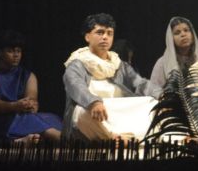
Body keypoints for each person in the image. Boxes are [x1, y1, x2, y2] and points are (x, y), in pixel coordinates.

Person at [63, 13, 163, 142]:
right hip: (95, 110)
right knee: (81, 112)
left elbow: (140, 84)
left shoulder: (118, 63)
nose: (105, 37)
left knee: (153, 103)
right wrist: (93, 102)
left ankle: (148, 137)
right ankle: (113, 137)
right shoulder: (77, 62)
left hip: (117, 110)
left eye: (109, 33)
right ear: (87, 36)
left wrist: (162, 95)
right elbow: (75, 85)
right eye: (100, 32)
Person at [0, 30, 63, 143]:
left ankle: (25, 139)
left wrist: (30, 105)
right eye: (10, 51)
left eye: (18, 51)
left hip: (22, 116)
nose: (16, 55)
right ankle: (59, 139)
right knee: (26, 120)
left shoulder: (28, 75)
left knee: (51, 118)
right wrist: (14, 106)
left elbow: (32, 101)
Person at [150, 17, 198, 89]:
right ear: (171, 39)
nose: (183, 34)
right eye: (177, 33)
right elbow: (153, 89)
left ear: (193, 35)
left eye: (186, 30)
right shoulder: (163, 63)